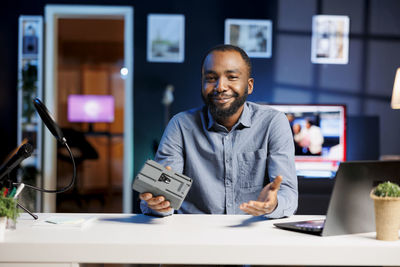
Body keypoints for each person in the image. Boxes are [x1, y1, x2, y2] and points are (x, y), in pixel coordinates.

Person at [140, 44, 298, 218]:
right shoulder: (180, 125)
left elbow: (288, 194)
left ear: (249, 85)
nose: (220, 86)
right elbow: (159, 197)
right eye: (211, 78)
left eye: (232, 77)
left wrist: (273, 204)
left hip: (252, 234)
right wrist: (158, 204)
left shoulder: (273, 122)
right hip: (192, 236)